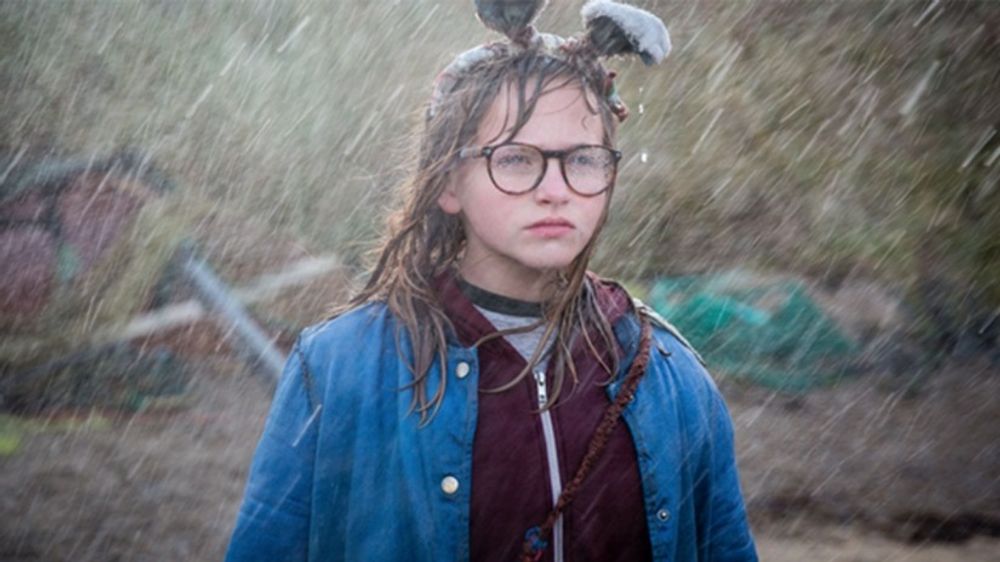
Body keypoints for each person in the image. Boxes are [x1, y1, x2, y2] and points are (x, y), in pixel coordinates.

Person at [225, 1, 758, 560]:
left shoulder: (669, 377)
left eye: (583, 159)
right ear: (448, 183)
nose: (555, 190)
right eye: (515, 158)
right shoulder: (341, 369)